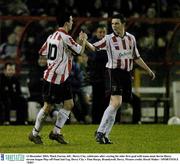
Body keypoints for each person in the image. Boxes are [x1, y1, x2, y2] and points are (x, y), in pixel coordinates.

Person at [83, 13, 155, 144]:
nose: (114, 26)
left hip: (126, 74)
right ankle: (100, 131)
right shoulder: (109, 38)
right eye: (112, 24)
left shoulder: (131, 38)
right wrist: (84, 41)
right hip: (113, 72)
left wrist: (148, 69)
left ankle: (105, 135)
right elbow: (94, 47)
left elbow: (136, 57)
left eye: (116, 23)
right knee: (116, 103)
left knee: (116, 105)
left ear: (123, 24)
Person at [28, 12, 87, 144]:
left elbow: (43, 52)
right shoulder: (66, 37)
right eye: (71, 20)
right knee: (48, 107)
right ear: (66, 23)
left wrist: (61, 55)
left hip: (62, 77)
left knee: (69, 104)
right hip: (53, 78)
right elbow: (80, 51)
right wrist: (83, 40)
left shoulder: (52, 36)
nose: (72, 22)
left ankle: (56, 132)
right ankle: (34, 133)